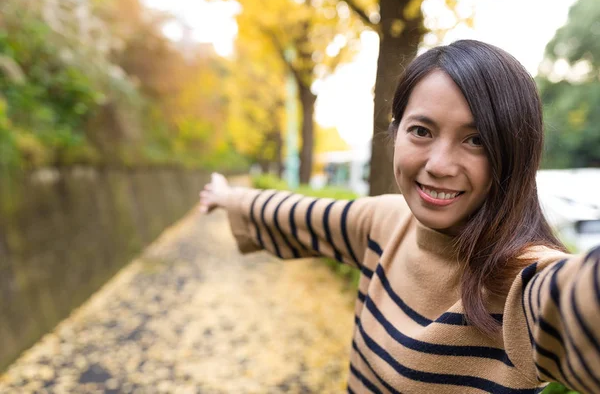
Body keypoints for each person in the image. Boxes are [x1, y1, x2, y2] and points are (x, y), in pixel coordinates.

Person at [198, 40, 600, 393]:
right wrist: (230, 197)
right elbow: (300, 215)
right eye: (421, 131)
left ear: (516, 154)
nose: (439, 164)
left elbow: (576, 303)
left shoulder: (521, 280)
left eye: (476, 140)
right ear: (395, 131)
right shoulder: (386, 222)